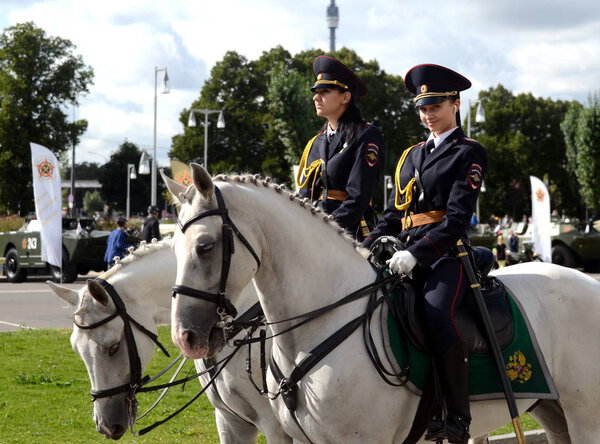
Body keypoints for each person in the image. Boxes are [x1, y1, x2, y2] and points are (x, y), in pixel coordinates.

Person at [363, 64, 487, 443]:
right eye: (422, 108)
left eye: (435, 105)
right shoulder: (412, 155)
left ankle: (457, 417)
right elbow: (391, 213)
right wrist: (365, 245)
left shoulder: (469, 153)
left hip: (445, 255)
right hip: (401, 251)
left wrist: (418, 253)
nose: (428, 115)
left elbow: (455, 220)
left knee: (435, 312)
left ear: (455, 103)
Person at [296, 55, 385, 241]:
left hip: (351, 234)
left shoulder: (366, 135)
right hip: (313, 234)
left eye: (325, 91)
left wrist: (325, 229)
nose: (316, 97)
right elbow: (303, 196)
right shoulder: (315, 143)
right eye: (315, 91)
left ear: (345, 96)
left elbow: (358, 197)